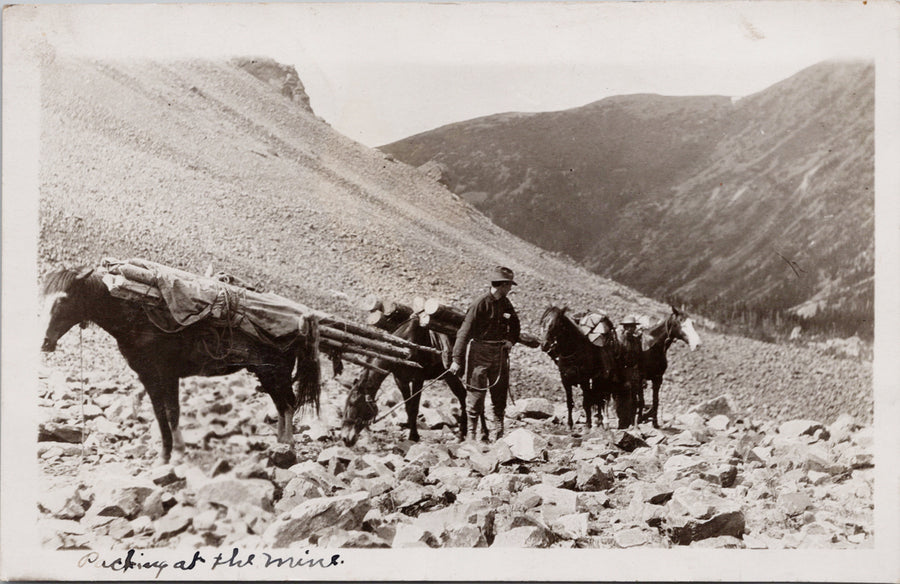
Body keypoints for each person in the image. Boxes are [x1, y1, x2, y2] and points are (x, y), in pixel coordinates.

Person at [449, 266, 521, 441]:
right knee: (476, 393)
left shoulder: (506, 303)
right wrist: (456, 359)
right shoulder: (479, 304)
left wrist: (510, 341)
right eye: (509, 285)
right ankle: (472, 436)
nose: (510, 289)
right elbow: (463, 333)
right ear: (502, 285)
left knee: (499, 392)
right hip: (479, 353)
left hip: (499, 353)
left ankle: (498, 432)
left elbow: (516, 325)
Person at [618, 314, 644, 426]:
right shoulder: (620, 342)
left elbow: (641, 360)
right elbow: (618, 362)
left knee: (635, 400)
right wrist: (624, 379)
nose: (630, 329)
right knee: (622, 400)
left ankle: (633, 423)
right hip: (623, 373)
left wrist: (643, 378)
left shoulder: (636, 341)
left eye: (632, 327)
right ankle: (622, 424)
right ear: (624, 327)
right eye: (627, 326)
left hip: (635, 373)